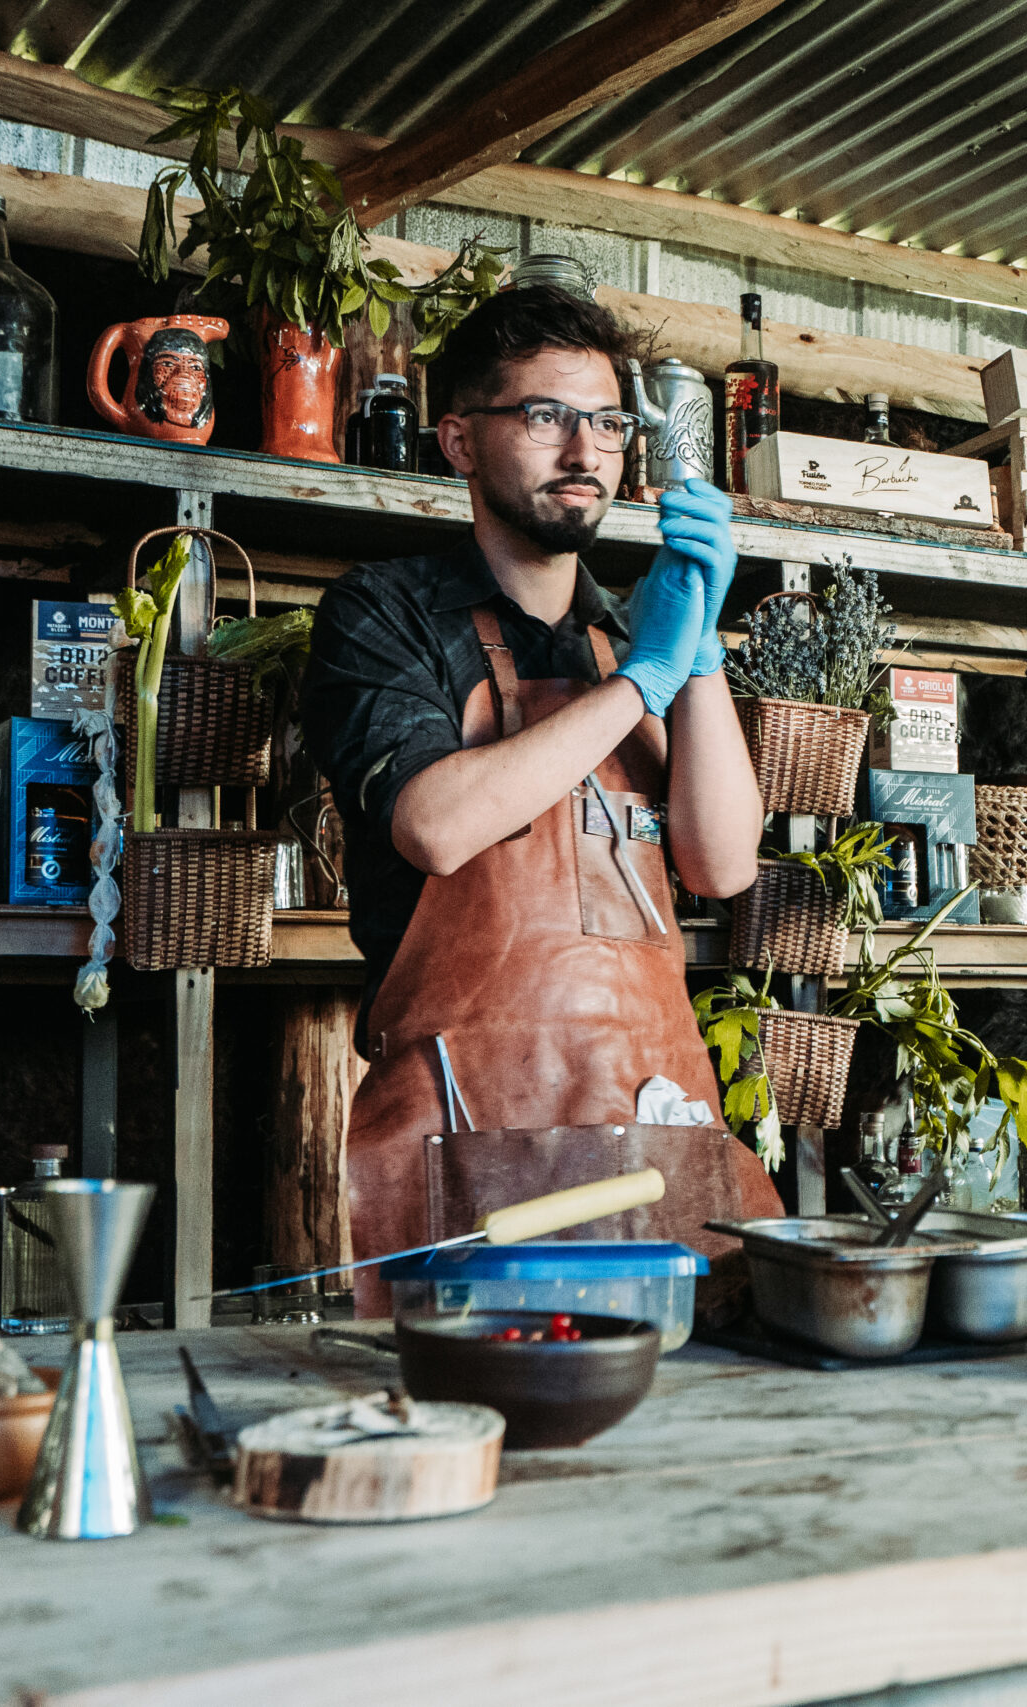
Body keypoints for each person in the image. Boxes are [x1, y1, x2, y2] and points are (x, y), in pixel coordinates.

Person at [303, 286, 780, 1295]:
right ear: (459, 442)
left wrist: (698, 655)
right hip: (472, 1138)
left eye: (606, 423)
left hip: (655, 1127)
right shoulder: (384, 613)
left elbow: (722, 862)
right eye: (545, 415)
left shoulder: (634, 630)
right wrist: (640, 684)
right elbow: (436, 825)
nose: (584, 450)